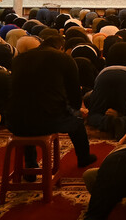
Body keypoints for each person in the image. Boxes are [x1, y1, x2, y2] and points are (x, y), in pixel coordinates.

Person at [8, 40, 96, 168]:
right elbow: (74, 94)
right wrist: (75, 110)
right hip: (49, 120)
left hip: (14, 121)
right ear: (61, 47)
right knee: (76, 119)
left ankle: (30, 164)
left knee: (27, 112)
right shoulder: (63, 58)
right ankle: (84, 158)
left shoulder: (19, 58)